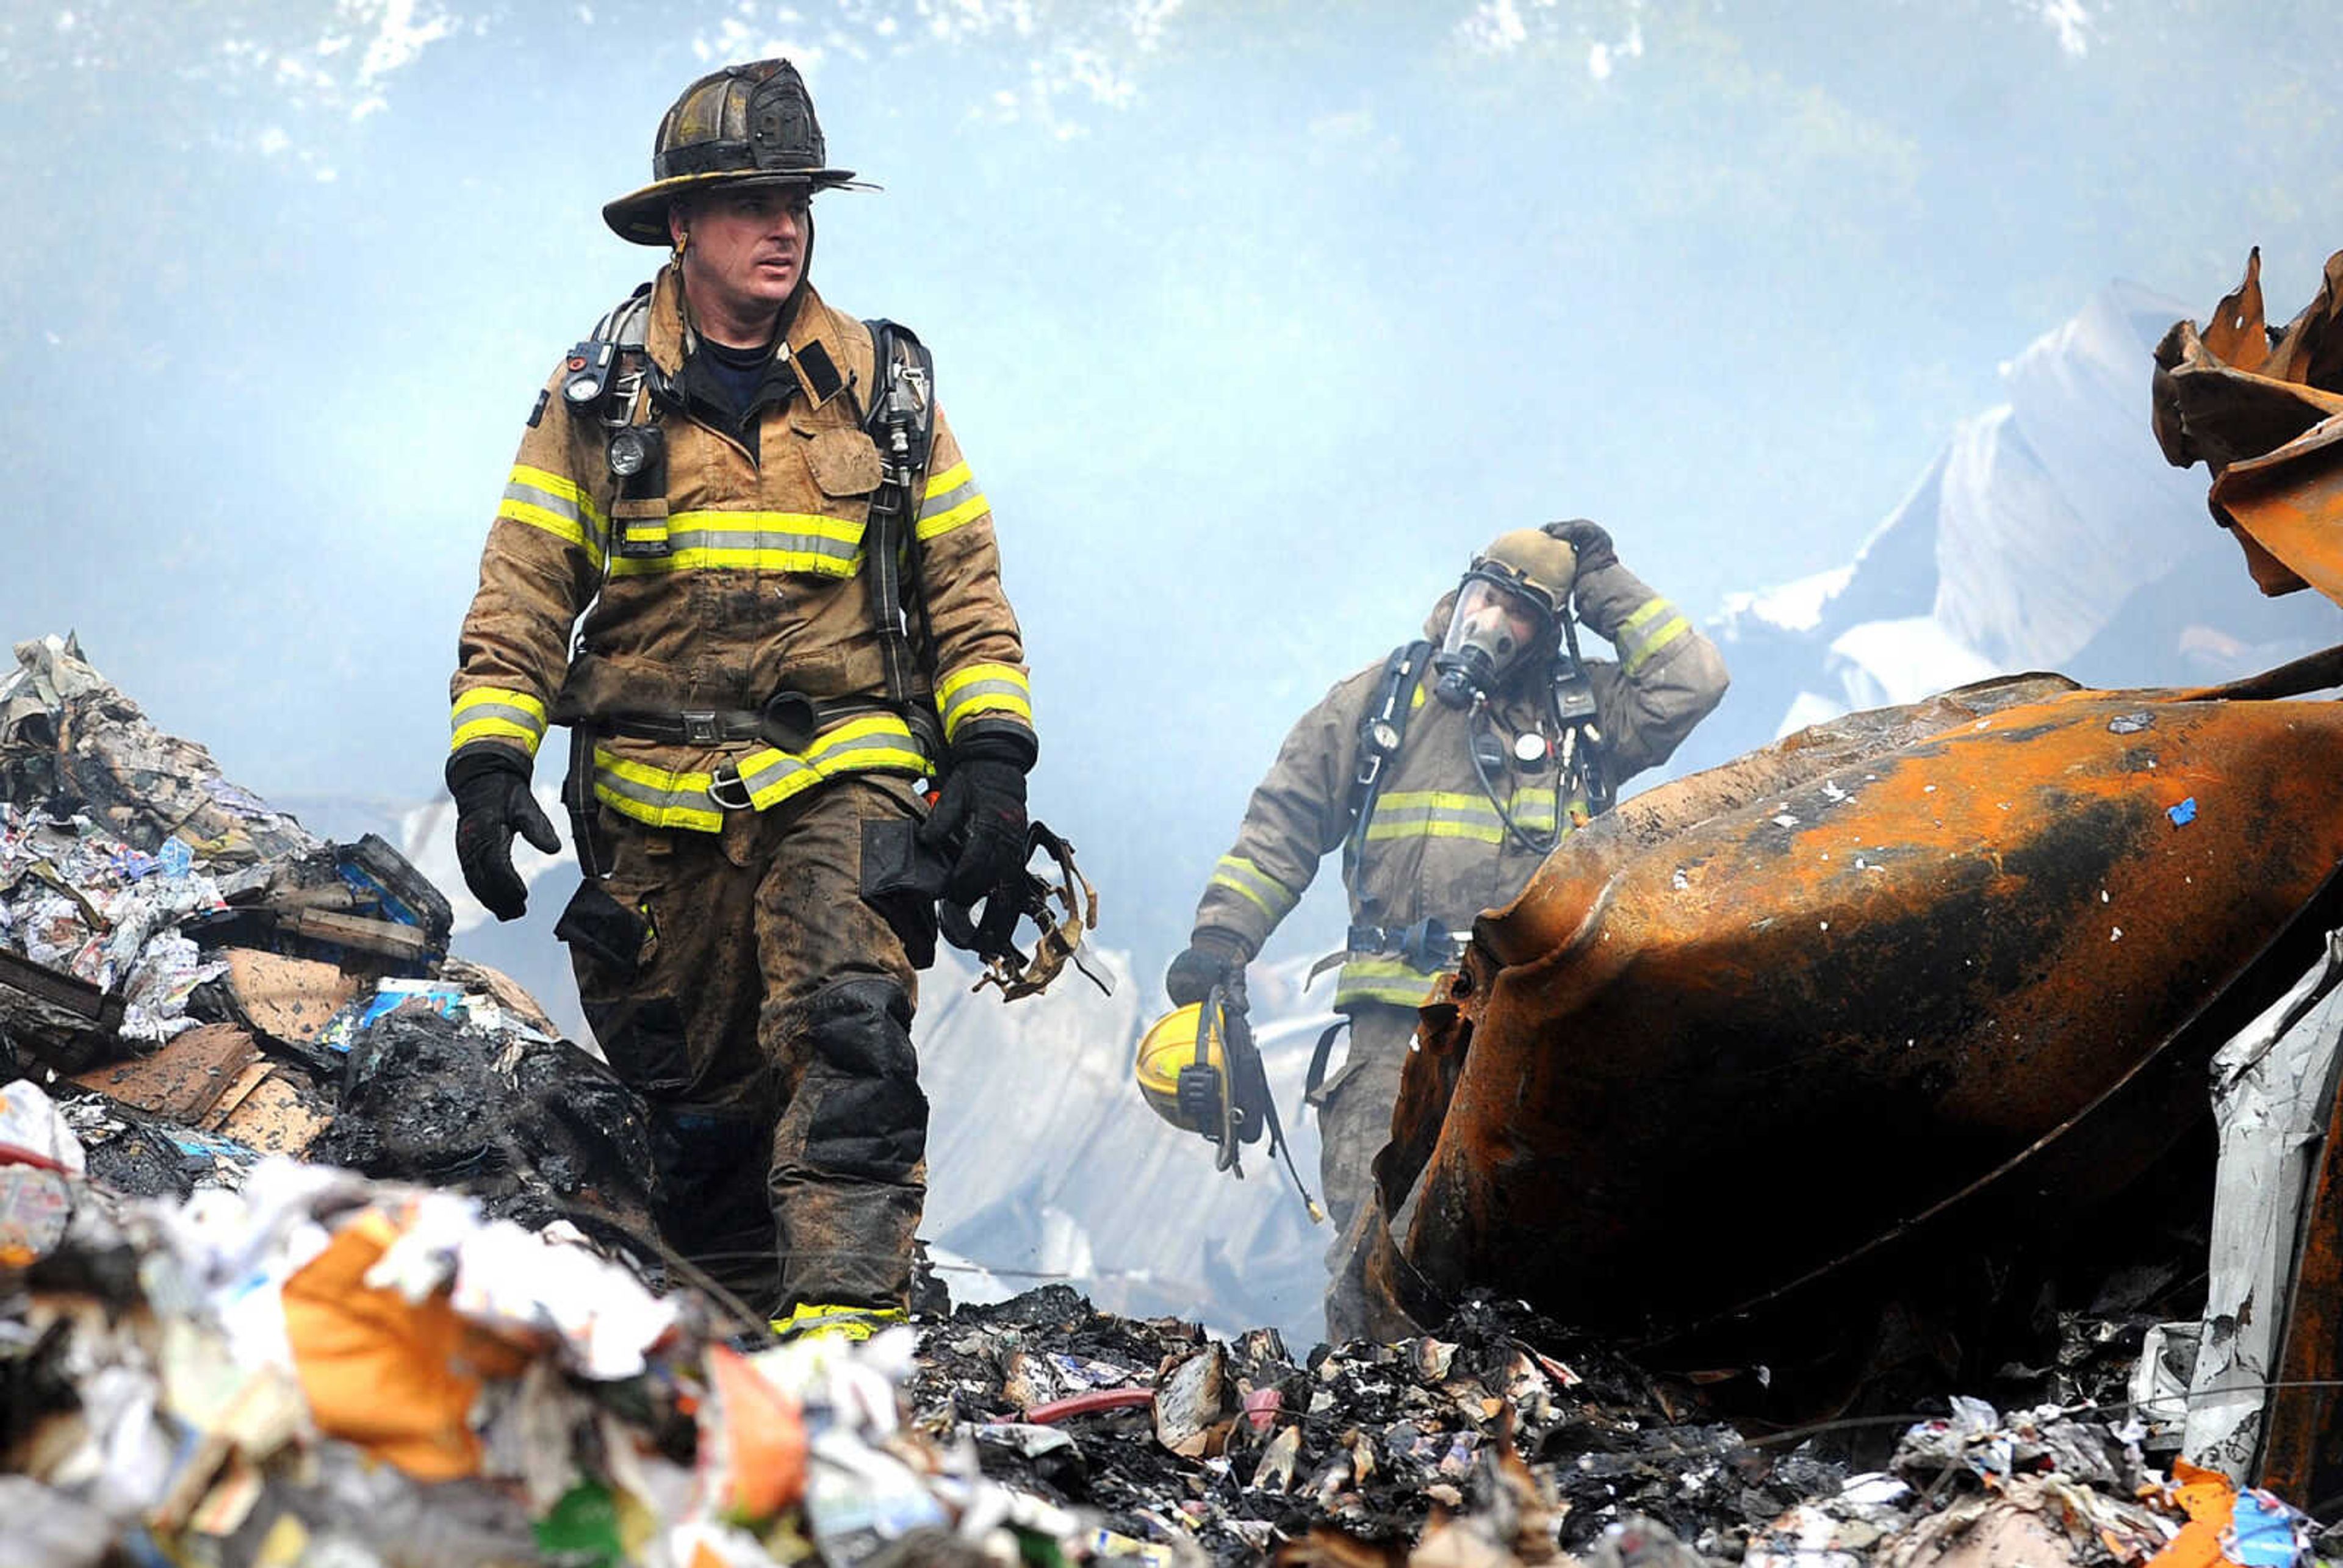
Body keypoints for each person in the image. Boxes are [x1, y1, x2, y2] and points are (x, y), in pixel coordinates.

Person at [444, 59, 1036, 1340]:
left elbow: (965, 588)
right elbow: (526, 582)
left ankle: (847, 1339)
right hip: (654, 806)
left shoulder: (886, 389)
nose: (782, 227)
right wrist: (489, 762)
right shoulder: (596, 400)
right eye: (751, 202)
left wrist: (993, 763)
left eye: (798, 202)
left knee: (849, 1025)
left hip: (845, 768)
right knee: (701, 1108)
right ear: (680, 225)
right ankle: (733, 1352)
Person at [1165, 522, 1727, 1336]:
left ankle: (1505, 1430)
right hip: (1393, 1025)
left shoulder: (1585, 714)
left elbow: (1693, 679)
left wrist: (1600, 578)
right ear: (1459, 594)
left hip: (1530, 1026)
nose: (1492, 624)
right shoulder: (1382, 701)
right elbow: (1283, 822)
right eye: (1484, 598)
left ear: (1549, 630)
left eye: (1519, 612)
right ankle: (1368, 1422)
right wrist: (1223, 938)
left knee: (1525, 1242)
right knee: (1372, 1236)